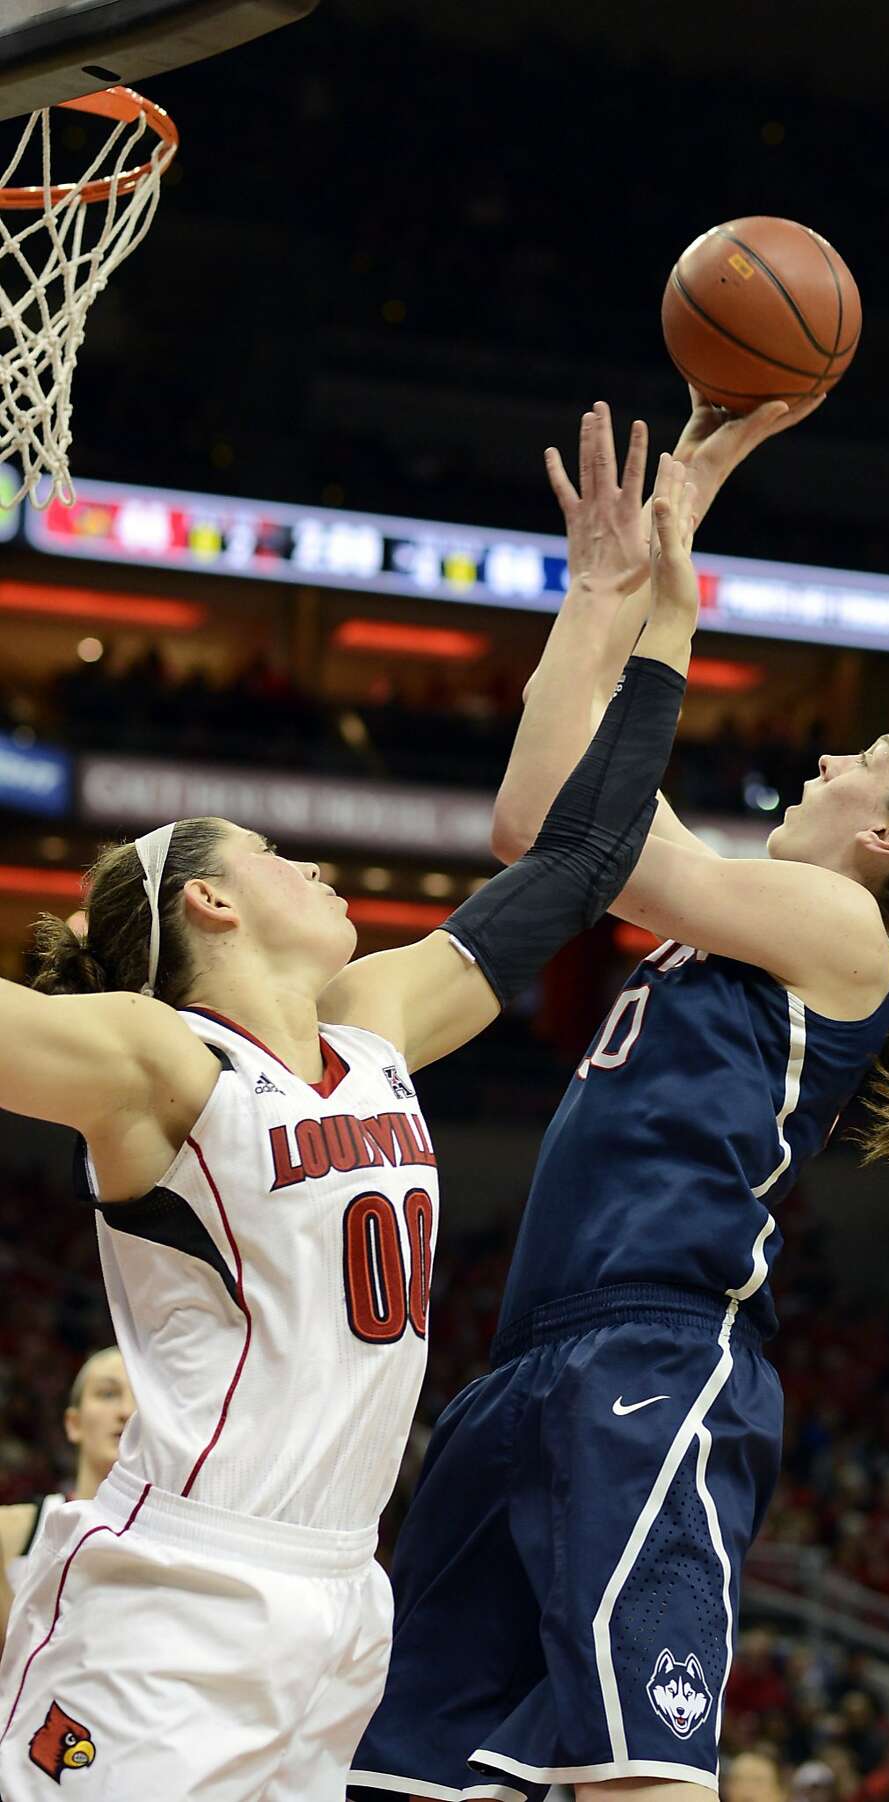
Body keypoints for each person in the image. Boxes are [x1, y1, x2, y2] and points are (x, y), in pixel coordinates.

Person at [351, 395, 889, 1802]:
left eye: (854, 763)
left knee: (644, 1770)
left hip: (660, 1348)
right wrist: (601, 597)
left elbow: (600, 835)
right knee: (416, 1774)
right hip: (535, 1355)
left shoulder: (843, 934)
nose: (819, 761)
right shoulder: (750, 914)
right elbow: (541, 821)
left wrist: (664, 604)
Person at [0, 440, 702, 1802]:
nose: (312, 864)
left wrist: (637, 613)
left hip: (341, 1596)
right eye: (269, 853)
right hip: (178, 1585)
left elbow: (574, 864)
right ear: (206, 902)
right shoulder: (157, 1059)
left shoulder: (374, 1026)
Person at [0, 1347, 133, 1648]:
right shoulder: (11, 1531)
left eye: (142, 1399)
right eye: (108, 1394)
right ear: (73, 1424)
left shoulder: (176, 1545)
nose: (126, 1411)